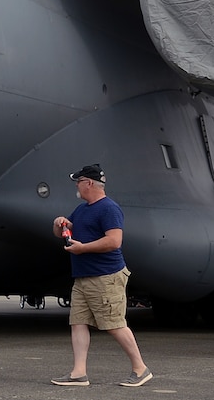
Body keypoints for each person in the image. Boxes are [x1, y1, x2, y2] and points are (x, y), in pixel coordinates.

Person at [50, 164, 151, 388]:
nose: (76, 186)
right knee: (78, 322)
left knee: (114, 323)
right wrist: (60, 225)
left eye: (78, 181)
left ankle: (140, 368)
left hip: (106, 276)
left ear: (89, 183)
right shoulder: (83, 209)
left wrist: (83, 248)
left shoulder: (109, 208)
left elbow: (114, 241)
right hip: (84, 277)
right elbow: (67, 232)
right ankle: (78, 373)